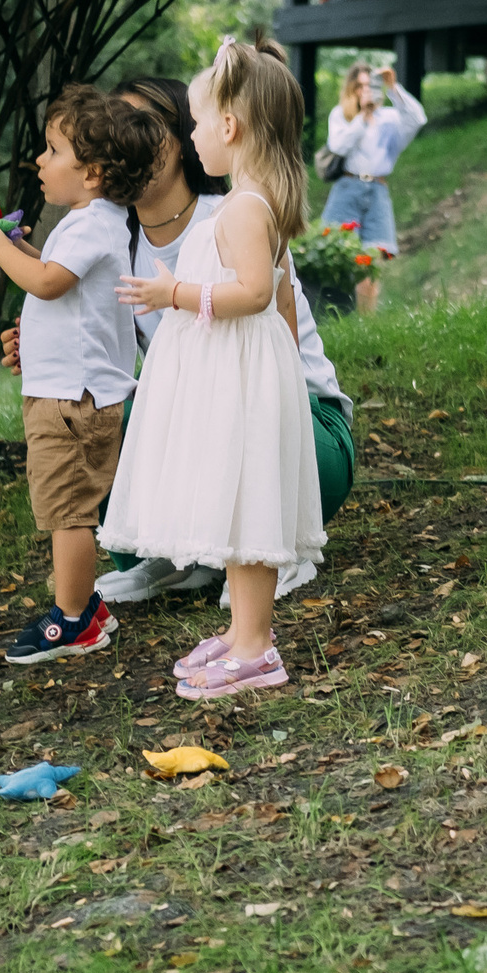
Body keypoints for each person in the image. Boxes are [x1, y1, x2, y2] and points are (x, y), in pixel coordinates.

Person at [103, 39, 325, 699]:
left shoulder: (245, 210)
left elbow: (256, 291)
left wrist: (176, 294)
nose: (193, 135)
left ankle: (257, 645)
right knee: (236, 513)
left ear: (229, 127)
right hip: (236, 378)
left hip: (243, 381)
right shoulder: (244, 205)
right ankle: (241, 629)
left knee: (248, 512)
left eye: (198, 122)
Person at [94, 75, 357, 606]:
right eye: (110, 128)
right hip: (207, 422)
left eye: (138, 124)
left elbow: (272, 321)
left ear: (186, 135)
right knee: (98, 415)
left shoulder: (236, 215)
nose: (120, 138)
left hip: (298, 422)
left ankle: (274, 550)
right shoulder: (107, 242)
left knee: (226, 402)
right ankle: (172, 555)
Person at [0, 86, 164, 663]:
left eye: (53, 150)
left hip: (73, 402)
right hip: (68, 392)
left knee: (68, 514)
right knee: (67, 507)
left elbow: (48, 283)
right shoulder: (91, 221)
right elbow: (62, 290)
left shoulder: (91, 225)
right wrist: (23, 250)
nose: (39, 160)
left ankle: (73, 619)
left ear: (93, 173)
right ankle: (87, 609)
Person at [320, 61, 426, 314]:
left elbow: (417, 119)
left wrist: (393, 88)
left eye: (371, 85)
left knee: (370, 263)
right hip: (347, 189)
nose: (366, 91)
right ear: (352, 89)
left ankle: (367, 325)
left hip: (377, 191)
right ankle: (333, 317)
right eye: (360, 86)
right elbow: (338, 146)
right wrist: (362, 118)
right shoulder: (342, 115)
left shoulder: (390, 118)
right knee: (338, 256)